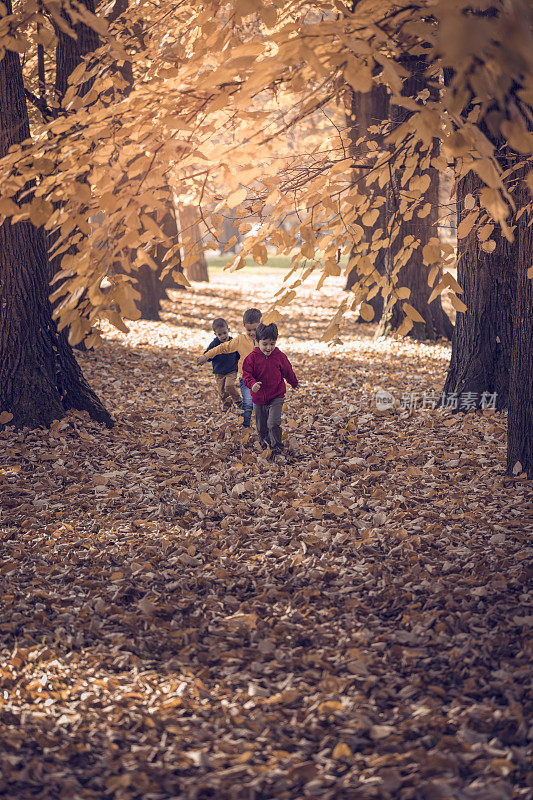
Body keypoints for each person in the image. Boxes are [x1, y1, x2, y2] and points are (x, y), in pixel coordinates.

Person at [197, 308, 262, 427]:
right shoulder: (240, 340)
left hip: (262, 378)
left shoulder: (264, 340)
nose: (252, 333)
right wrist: (206, 356)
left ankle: (264, 427)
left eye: (255, 329)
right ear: (244, 326)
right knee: (247, 404)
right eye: (249, 330)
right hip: (246, 378)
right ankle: (245, 427)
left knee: (264, 405)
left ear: (261, 325)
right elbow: (222, 348)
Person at [241, 322, 298, 455]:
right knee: (261, 427)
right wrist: (252, 384)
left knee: (273, 423)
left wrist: (294, 382)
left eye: (272, 344)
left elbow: (288, 371)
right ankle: (266, 445)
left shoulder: (280, 356)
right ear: (258, 341)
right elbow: (246, 374)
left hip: (276, 395)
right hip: (259, 398)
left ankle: (277, 447)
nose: (269, 347)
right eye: (265, 344)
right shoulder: (252, 358)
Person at [203, 318, 241, 412]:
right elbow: (208, 354)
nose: (223, 336)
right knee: (222, 391)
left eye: (224, 333)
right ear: (215, 334)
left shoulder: (233, 342)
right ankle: (227, 404)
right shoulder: (214, 344)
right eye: (219, 334)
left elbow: (239, 354)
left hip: (231, 370)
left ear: (228, 330)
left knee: (229, 386)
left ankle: (239, 401)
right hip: (219, 372)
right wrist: (205, 358)